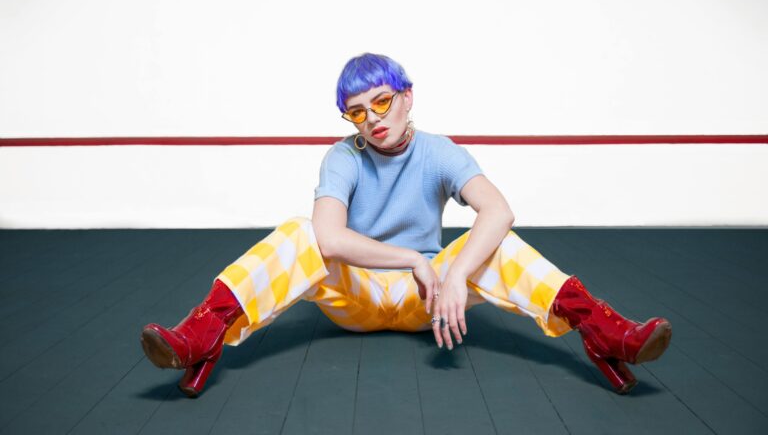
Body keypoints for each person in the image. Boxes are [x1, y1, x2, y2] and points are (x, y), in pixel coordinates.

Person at [141, 53, 671, 397]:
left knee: (497, 243)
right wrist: (414, 258)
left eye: (382, 102)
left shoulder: (439, 152)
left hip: (430, 300)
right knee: (299, 230)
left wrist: (456, 271)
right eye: (356, 112)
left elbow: (498, 210)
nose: (372, 118)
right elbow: (328, 239)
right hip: (359, 296)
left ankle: (606, 332)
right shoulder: (343, 157)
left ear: (406, 96)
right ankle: (202, 334)